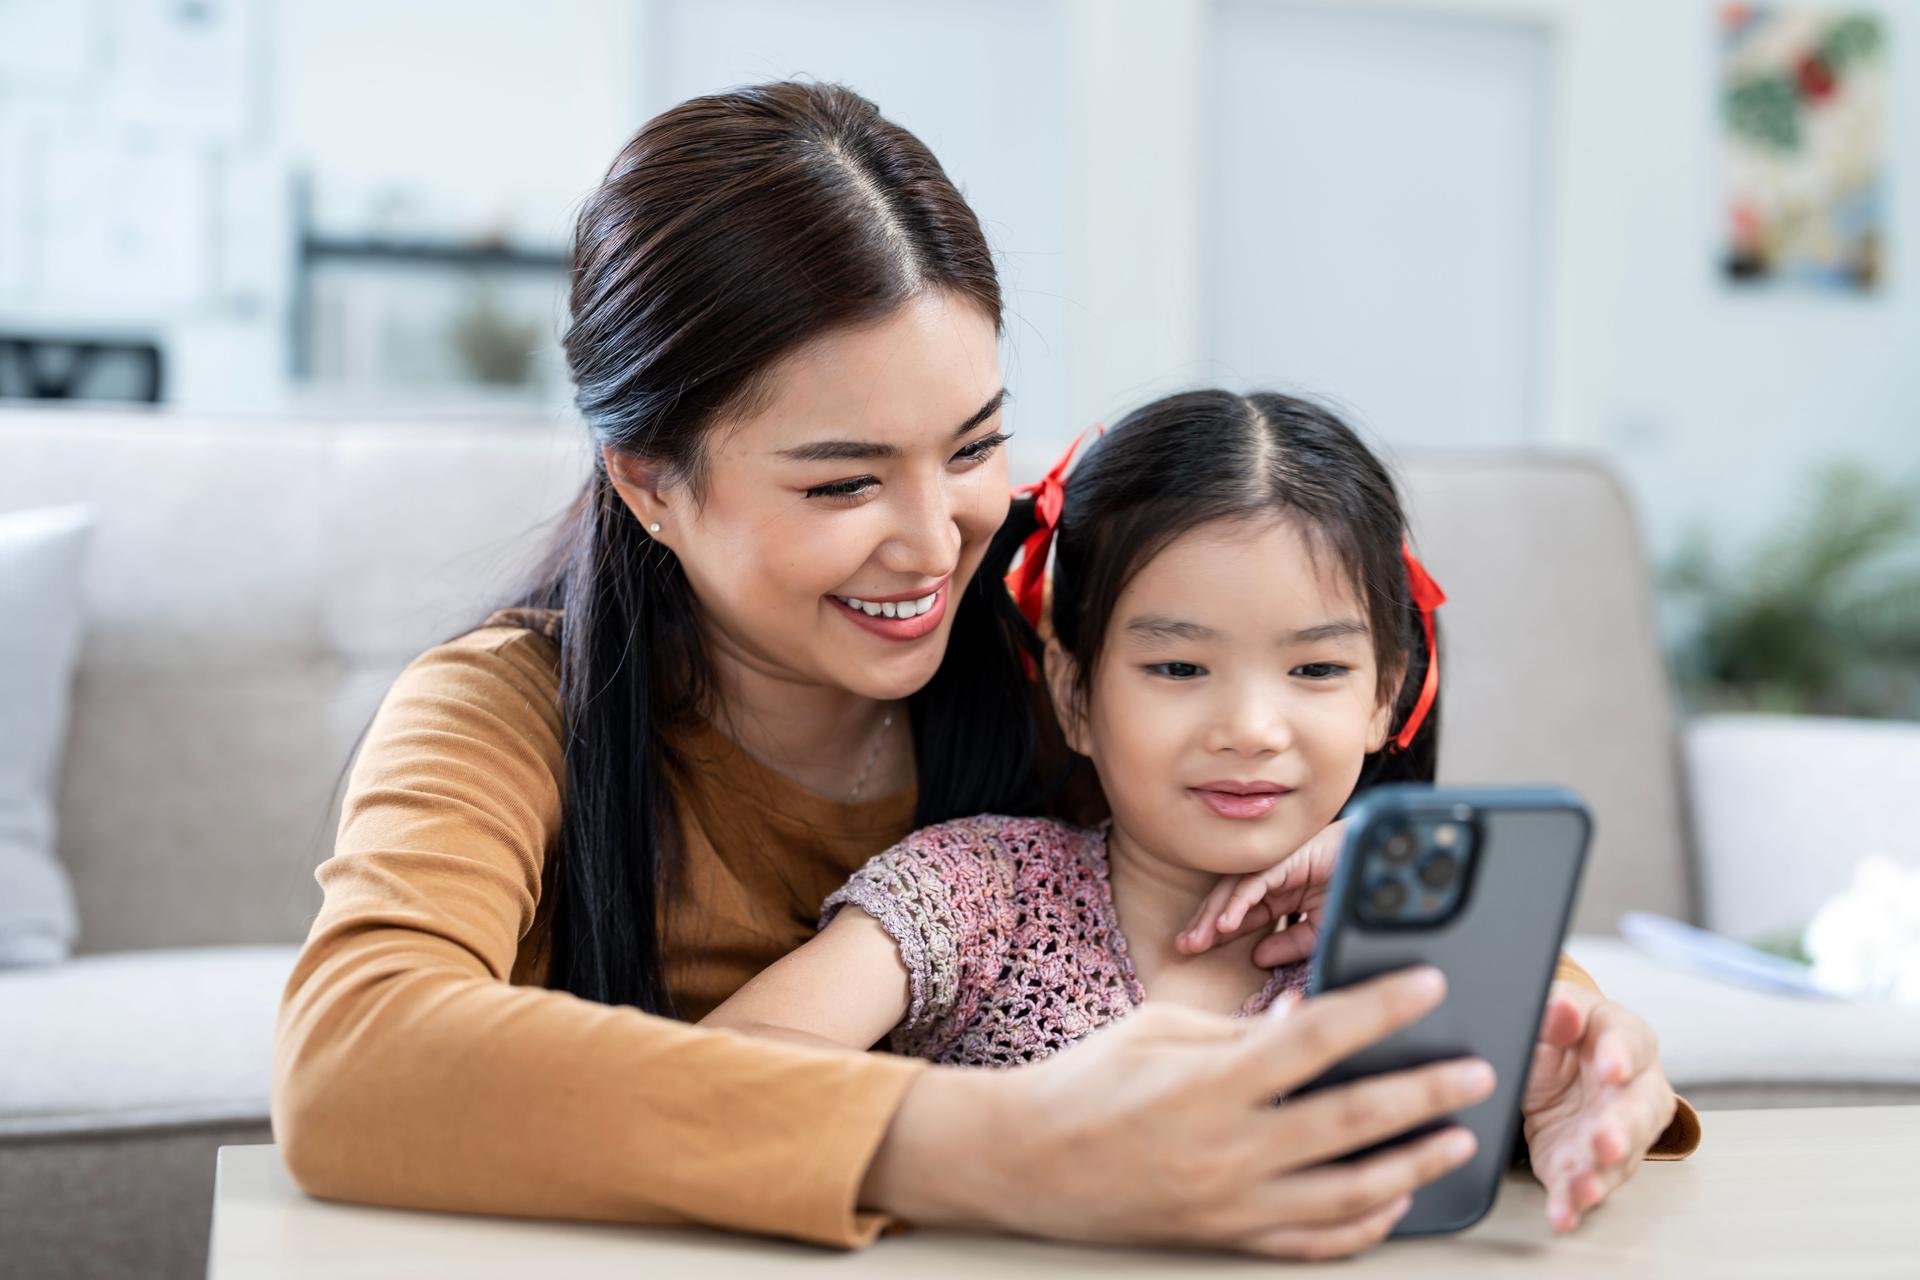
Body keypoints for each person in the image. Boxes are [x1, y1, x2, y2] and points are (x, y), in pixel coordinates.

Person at [272, 82, 1657, 1263]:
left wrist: (1571, 1048)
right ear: (650, 484)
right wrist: (996, 1141)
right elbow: (351, 1067)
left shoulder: (1065, 666)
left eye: (975, 445)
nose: (937, 540)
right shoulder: (503, 712)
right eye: (845, 480)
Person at [702, 389, 1700, 1234]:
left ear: (1386, 695)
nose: (1251, 729)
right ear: (1075, 693)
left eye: (1317, 669)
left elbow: (1553, 1101)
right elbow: (718, 1075)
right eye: (1179, 667)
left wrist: (1566, 1101)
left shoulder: (1417, 959)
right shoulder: (980, 890)